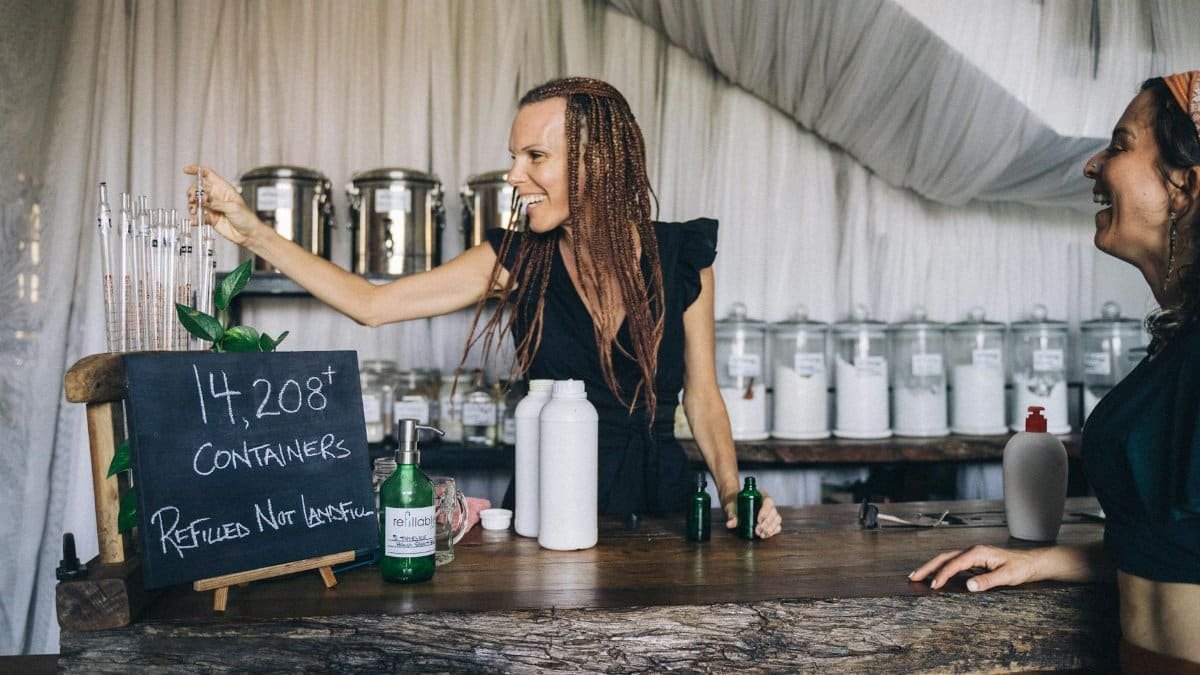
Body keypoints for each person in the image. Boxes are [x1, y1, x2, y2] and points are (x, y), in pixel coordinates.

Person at [186, 76, 782, 539]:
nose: (513, 174)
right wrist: (252, 233)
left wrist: (733, 496)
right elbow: (370, 304)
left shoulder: (682, 255)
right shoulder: (515, 258)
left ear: (595, 160)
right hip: (549, 510)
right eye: (513, 156)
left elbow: (702, 396)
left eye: (534, 157)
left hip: (665, 513)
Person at [912, 73, 1200, 671]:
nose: (1093, 164)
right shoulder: (1176, 343)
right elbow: (1166, 545)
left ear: (1184, 188)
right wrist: (1043, 560)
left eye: (1120, 146)